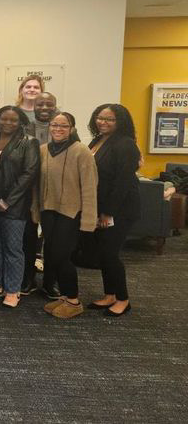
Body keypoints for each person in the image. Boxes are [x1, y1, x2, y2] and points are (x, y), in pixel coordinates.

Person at [39, 112, 98, 319]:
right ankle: (64, 297)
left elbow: (90, 188)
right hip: (48, 211)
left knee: (63, 257)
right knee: (52, 256)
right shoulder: (44, 150)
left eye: (63, 126)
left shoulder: (81, 151)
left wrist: (89, 222)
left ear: (72, 128)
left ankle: (73, 300)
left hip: (70, 213)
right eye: (55, 125)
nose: (58, 129)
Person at [0, 106, 40, 308]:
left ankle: (13, 289)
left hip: (14, 206)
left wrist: (7, 201)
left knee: (14, 249)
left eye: (13, 120)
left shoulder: (29, 142)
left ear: (20, 121)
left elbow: (29, 174)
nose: (8, 123)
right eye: (4, 119)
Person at [87, 103, 140, 317]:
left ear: (120, 122)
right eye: (100, 117)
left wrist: (108, 212)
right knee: (103, 252)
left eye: (109, 119)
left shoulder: (126, 144)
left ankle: (123, 299)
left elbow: (122, 182)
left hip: (119, 210)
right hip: (101, 206)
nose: (103, 122)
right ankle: (109, 295)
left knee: (110, 254)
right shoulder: (98, 140)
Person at [22, 91, 58, 296]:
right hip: (28, 193)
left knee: (53, 240)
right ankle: (28, 278)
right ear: (33, 106)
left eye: (49, 104)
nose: (44, 108)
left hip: (54, 193)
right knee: (28, 238)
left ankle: (50, 281)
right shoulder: (25, 126)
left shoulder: (65, 126)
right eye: (40, 105)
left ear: (55, 106)